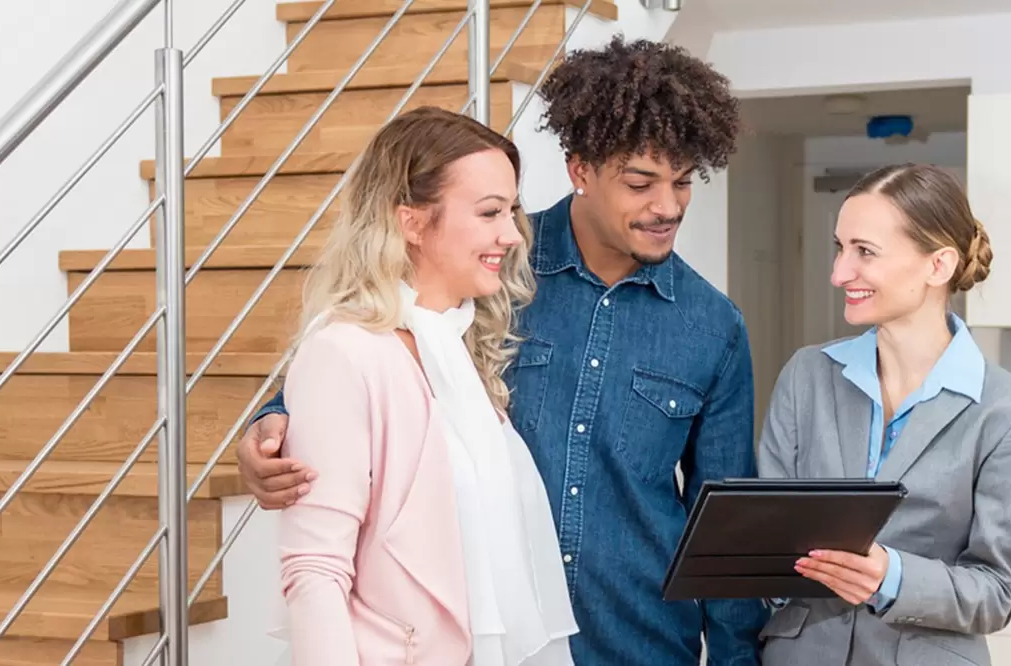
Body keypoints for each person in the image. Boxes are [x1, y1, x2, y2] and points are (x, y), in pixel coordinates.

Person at [241, 38, 768, 665]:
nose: (667, 206)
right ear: (580, 171)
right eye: (640, 182)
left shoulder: (714, 327)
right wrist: (273, 422)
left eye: (682, 183)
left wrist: (738, 659)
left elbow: (727, 525)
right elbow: (378, 352)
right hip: (482, 639)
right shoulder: (485, 266)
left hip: (640, 643)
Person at [273, 106, 576, 666]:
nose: (511, 235)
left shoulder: (458, 348)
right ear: (411, 222)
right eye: (490, 213)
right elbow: (315, 570)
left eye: (511, 211)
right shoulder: (343, 353)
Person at [757, 164, 1011, 666]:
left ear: (938, 266)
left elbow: (997, 592)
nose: (839, 273)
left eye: (864, 252)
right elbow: (766, 539)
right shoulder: (806, 375)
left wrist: (890, 576)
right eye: (839, 247)